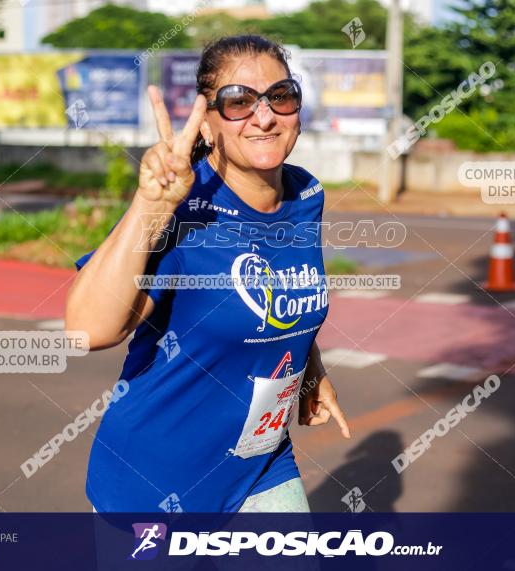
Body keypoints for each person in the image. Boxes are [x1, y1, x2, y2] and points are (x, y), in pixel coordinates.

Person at [65, 34, 350, 513]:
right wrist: (151, 206)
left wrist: (308, 369)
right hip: (153, 483)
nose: (264, 116)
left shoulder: (305, 194)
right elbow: (87, 331)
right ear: (207, 123)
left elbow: (275, 294)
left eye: (280, 96)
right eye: (238, 102)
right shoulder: (185, 212)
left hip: (259, 463)